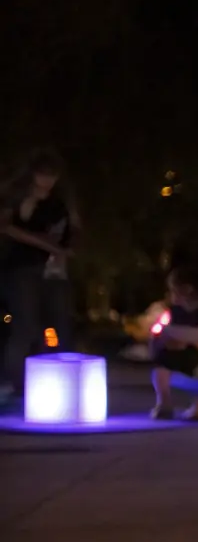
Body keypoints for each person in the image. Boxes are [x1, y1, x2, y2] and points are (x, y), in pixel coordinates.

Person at [0, 149, 80, 405]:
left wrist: (66, 250)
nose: (47, 180)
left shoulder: (62, 201)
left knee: (61, 324)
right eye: (43, 175)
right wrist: (51, 247)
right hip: (24, 268)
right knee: (25, 327)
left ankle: (65, 383)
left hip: (55, 270)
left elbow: (74, 228)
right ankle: (17, 386)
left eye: (51, 176)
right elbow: (11, 229)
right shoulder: (20, 198)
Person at [149, 266, 198, 420]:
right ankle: (164, 403)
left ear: (187, 290)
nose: (171, 296)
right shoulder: (175, 312)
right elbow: (163, 331)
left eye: (174, 290)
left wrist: (176, 337)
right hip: (177, 354)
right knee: (160, 370)